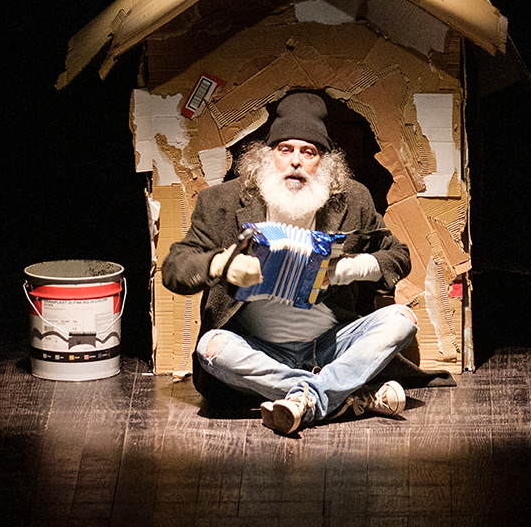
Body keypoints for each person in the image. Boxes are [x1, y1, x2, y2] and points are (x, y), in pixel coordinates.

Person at [162, 92, 419, 434]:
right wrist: (219, 265)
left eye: (308, 152)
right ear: (267, 157)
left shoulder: (351, 200)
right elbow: (174, 268)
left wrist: (350, 269)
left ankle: (305, 398)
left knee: (402, 319)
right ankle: (346, 394)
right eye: (285, 150)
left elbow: (398, 256)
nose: (296, 161)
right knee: (212, 348)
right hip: (256, 350)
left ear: (324, 164)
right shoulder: (220, 203)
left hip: (331, 346)